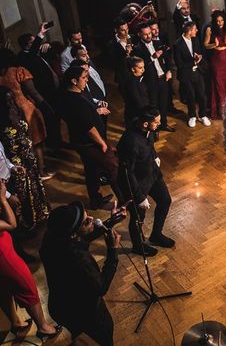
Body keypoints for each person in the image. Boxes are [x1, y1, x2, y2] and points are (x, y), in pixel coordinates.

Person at [40, 201, 121, 345]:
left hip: (60, 306)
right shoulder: (78, 258)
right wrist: (113, 252)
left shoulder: (52, 238)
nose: (92, 219)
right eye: (86, 222)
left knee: (78, 334)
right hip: (84, 312)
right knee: (104, 336)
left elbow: (81, 237)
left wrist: (110, 222)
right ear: (73, 235)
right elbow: (101, 287)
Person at [0, 180, 61, 342]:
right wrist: (3, 198)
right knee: (26, 286)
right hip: (2, 254)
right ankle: (43, 328)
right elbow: (10, 223)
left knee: (3, 288)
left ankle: (16, 323)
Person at [59, 66, 119, 209]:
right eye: (84, 78)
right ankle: (125, 200)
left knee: (91, 170)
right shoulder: (75, 101)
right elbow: (88, 128)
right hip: (90, 144)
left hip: (85, 143)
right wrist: (102, 143)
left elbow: (85, 114)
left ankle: (96, 200)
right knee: (113, 168)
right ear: (74, 80)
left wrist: (96, 110)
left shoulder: (78, 93)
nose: (87, 80)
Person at [117, 106, 173, 256]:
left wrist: (154, 155)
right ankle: (137, 246)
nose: (159, 124)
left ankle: (156, 235)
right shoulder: (131, 142)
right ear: (145, 124)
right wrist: (140, 197)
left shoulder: (148, 129)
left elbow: (149, 143)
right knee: (138, 217)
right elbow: (127, 173)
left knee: (165, 200)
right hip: (137, 183)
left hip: (152, 174)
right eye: (157, 122)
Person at [0, 48, 52, 180]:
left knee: (22, 144)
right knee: (37, 140)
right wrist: (47, 106)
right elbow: (33, 92)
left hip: (8, 112)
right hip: (25, 108)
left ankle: (29, 173)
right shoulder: (18, 71)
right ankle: (42, 171)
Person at [0, 88, 49, 228]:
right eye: (7, 100)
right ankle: (29, 223)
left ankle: (40, 214)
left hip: (24, 162)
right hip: (16, 166)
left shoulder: (17, 113)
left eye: (11, 99)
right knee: (23, 199)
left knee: (34, 189)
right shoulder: (2, 123)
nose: (11, 102)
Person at [16, 23, 61, 152]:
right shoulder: (24, 57)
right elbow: (31, 58)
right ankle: (53, 145)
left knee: (56, 117)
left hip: (52, 90)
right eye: (33, 42)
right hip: (44, 94)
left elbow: (50, 53)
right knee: (50, 119)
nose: (36, 43)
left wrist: (48, 45)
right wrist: (40, 34)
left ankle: (58, 141)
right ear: (27, 45)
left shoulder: (34, 52)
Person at [134, 22, 175, 132]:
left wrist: (169, 71)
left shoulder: (158, 42)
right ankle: (154, 130)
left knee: (164, 104)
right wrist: (153, 57)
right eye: (145, 34)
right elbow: (140, 65)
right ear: (139, 35)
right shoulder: (137, 49)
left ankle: (164, 124)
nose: (148, 36)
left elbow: (167, 59)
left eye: (149, 33)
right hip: (150, 82)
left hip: (163, 78)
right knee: (154, 107)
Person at [174, 21, 210, 127]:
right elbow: (179, 63)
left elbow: (199, 53)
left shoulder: (195, 40)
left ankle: (203, 115)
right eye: (195, 29)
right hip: (186, 74)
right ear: (189, 31)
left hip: (197, 72)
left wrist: (199, 57)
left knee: (202, 95)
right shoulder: (177, 44)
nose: (197, 30)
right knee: (191, 96)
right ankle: (192, 116)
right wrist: (193, 62)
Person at [204, 10, 226, 119]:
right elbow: (206, 45)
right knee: (218, 84)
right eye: (217, 21)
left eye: (221, 20)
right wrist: (214, 44)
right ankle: (221, 111)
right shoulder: (210, 29)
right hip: (217, 60)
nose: (220, 23)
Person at [120, 56, 150, 127]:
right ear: (133, 69)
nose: (143, 70)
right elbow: (137, 100)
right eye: (140, 68)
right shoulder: (131, 82)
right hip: (135, 112)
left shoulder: (139, 77)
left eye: (143, 67)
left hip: (142, 109)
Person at [107, 16, 133, 87]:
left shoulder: (133, 37)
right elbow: (113, 63)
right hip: (124, 78)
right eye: (123, 30)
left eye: (127, 28)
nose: (126, 32)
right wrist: (126, 53)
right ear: (116, 30)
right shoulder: (111, 44)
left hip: (138, 73)